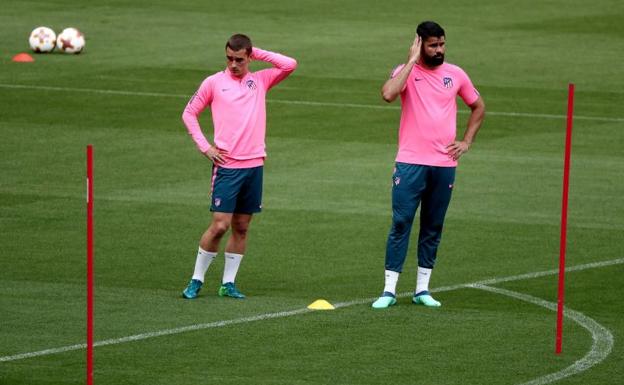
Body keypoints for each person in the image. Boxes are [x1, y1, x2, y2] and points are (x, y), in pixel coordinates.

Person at [372, 21, 485, 309]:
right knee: (401, 222)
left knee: (433, 225)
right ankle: (389, 290)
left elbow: (478, 106)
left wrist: (467, 141)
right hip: (410, 163)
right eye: (433, 45)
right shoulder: (407, 72)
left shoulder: (455, 74)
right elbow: (387, 94)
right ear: (419, 44)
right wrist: (411, 61)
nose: (439, 50)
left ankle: (422, 289)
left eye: (442, 44)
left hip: (444, 164)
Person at [181, 34, 297, 299]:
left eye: (240, 59)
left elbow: (290, 64)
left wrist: (259, 53)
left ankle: (228, 284)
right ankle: (196, 279)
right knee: (220, 225)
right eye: (229, 59)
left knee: (242, 226)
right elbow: (189, 113)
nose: (233, 64)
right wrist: (205, 147)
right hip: (227, 167)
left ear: (249, 57)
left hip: (254, 165)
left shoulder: (260, 80)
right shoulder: (214, 83)